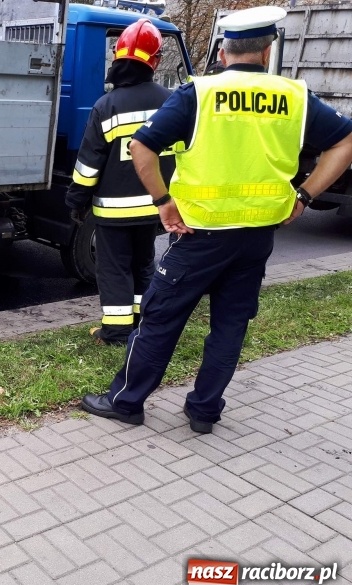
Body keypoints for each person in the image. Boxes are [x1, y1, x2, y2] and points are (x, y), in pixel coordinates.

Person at [80, 6, 352, 432]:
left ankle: (126, 402)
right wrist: (304, 195)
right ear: (267, 50)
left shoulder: (199, 94)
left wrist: (164, 202)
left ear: (223, 51)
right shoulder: (295, 97)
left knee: (161, 318)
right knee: (230, 325)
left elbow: (142, 148)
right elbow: (345, 142)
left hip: (199, 234)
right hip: (258, 235)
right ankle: (204, 411)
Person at [65, 18, 174, 346]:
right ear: (154, 61)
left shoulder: (106, 105)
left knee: (113, 270)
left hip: (113, 211)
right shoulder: (172, 101)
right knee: (143, 263)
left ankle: (115, 333)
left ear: (118, 58)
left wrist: (76, 201)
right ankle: (143, 322)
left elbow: (88, 164)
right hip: (155, 204)